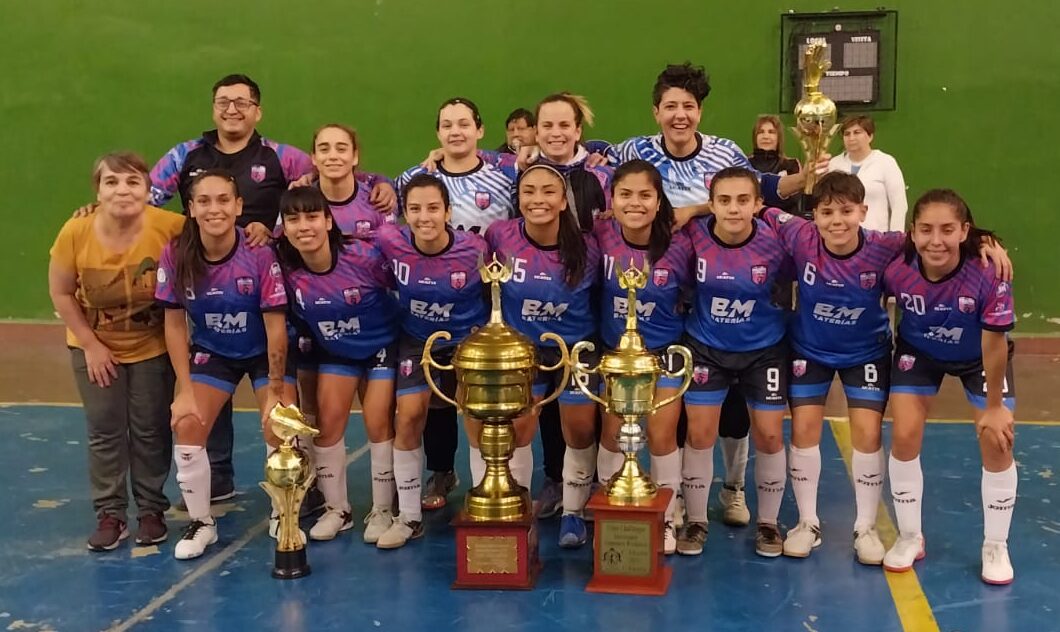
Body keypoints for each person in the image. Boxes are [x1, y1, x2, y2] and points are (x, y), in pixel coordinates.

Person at [146, 74, 395, 507]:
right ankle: (215, 480)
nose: (232, 109)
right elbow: (144, 198)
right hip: (214, 288)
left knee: (303, 409)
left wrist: (379, 183)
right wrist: (98, 211)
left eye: (242, 102)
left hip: (281, 293)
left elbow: (332, 169)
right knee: (209, 399)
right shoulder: (185, 155)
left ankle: (307, 488)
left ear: (257, 111)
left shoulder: (282, 157)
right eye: (223, 101)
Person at [607, 63, 821, 527]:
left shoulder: (723, 152)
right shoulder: (633, 150)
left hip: (726, 278)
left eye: (688, 106)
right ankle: (680, 501)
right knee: (686, 418)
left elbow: (754, 193)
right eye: (670, 107)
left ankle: (736, 486)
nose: (679, 115)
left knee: (736, 414)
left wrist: (695, 209)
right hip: (671, 293)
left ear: (700, 111)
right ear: (656, 112)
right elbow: (590, 167)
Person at [757, 172, 1011, 562]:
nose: (837, 220)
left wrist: (986, 241)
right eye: (826, 212)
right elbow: (765, 210)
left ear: (863, 211)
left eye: (846, 211)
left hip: (866, 353)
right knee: (805, 430)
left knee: (869, 434)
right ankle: (808, 523)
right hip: (810, 350)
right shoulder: (801, 235)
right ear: (814, 215)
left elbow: (936, 237)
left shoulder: (887, 247)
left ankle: (866, 527)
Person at [155, 170, 296, 560]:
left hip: (262, 350)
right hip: (214, 352)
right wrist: (184, 389)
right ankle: (202, 522)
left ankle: (283, 512)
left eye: (222, 200)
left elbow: (276, 329)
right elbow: (173, 323)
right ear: (191, 208)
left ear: (237, 207)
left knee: (280, 424)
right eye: (204, 201)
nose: (213, 208)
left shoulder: (259, 255)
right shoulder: (176, 253)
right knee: (187, 423)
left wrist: (278, 391)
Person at [48, 152, 183, 551]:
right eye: (111, 182)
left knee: (150, 428)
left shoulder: (171, 228)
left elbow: (218, 231)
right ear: (98, 190)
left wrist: (261, 232)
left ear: (147, 190)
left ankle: (151, 511)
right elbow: (60, 291)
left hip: (152, 346)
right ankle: (110, 515)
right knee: (105, 430)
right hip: (95, 347)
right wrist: (90, 345)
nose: (122, 190)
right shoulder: (76, 231)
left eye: (132, 182)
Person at [882, 189, 1017, 585]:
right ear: (913, 231)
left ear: (965, 232)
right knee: (904, 433)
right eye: (925, 230)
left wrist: (994, 406)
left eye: (947, 230)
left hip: (979, 357)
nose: (935, 240)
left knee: (997, 439)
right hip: (918, 353)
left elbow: (995, 341)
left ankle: (996, 544)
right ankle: (910, 536)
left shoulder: (990, 272)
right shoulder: (897, 264)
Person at [396, 97, 519, 512]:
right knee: (432, 396)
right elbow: (376, 200)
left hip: (488, 299)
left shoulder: (505, 174)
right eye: (446, 125)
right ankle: (441, 470)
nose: (455, 132)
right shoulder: (416, 176)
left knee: (476, 398)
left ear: (480, 130)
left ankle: (494, 489)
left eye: (464, 123)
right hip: (431, 297)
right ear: (437, 133)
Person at [484, 164, 601, 548]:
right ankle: (514, 508)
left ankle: (573, 511)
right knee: (518, 430)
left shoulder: (588, 246)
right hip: (524, 350)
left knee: (579, 431)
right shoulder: (499, 236)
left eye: (549, 191)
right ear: (517, 198)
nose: (538, 200)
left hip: (575, 349)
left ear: (564, 199)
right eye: (529, 191)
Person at [681, 167, 793, 557]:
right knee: (699, 435)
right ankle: (695, 521)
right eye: (724, 200)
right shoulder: (693, 234)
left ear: (759, 204)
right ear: (710, 204)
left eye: (743, 200)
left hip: (765, 351)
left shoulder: (778, 242)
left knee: (771, 435)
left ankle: (768, 524)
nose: (733, 208)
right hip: (706, 348)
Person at [276, 186, 399, 543]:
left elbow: (401, 288)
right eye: (294, 219)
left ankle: (382, 510)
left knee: (378, 421)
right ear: (283, 227)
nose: (304, 227)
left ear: (328, 221)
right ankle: (338, 510)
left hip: (382, 346)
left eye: (313, 217)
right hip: (336, 351)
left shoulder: (364, 256)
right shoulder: (287, 270)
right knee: (327, 425)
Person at [372, 174, 489, 549]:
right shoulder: (391, 240)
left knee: (476, 421)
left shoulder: (475, 250)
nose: (425, 217)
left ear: (448, 211)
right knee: (407, 416)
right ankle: (408, 517)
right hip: (416, 343)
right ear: (404, 213)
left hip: (466, 344)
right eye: (415, 209)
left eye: (433, 208)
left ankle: (483, 504)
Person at [592, 160, 694, 554]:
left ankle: (668, 516)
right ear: (612, 199)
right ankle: (611, 511)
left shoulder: (681, 244)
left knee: (661, 434)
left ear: (658, 200)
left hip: (664, 353)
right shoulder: (600, 234)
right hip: (616, 356)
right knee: (612, 434)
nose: (635, 203)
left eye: (645, 195)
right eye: (626, 194)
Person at [828, 115, 908, 232]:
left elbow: (899, 205)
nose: (851, 138)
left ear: (870, 136)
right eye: (847, 134)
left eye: (857, 132)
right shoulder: (833, 164)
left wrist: (896, 237)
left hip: (877, 237)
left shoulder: (886, 162)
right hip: (843, 236)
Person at [749, 115, 805, 218]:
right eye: (761, 132)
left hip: (784, 223)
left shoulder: (791, 164)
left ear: (779, 137)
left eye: (771, 132)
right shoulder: (745, 163)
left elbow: (792, 199)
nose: (766, 136)